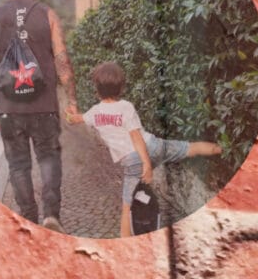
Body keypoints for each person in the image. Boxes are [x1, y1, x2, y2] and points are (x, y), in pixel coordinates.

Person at [0, 0, 75, 229]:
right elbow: (62, 60)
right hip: (45, 106)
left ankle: (30, 218)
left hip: (9, 108)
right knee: (48, 157)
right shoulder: (48, 15)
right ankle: (51, 215)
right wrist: (73, 102)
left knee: (19, 165)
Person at [83, 60, 221, 230]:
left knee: (127, 207)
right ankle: (222, 150)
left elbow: (82, 119)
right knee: (190, 148)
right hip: (154, 146)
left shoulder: (94, 112)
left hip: (134, 160)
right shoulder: (126, 106)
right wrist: (147, 162)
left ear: (96, 90)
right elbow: (137, 135)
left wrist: (146, 164)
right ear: (121, 88)